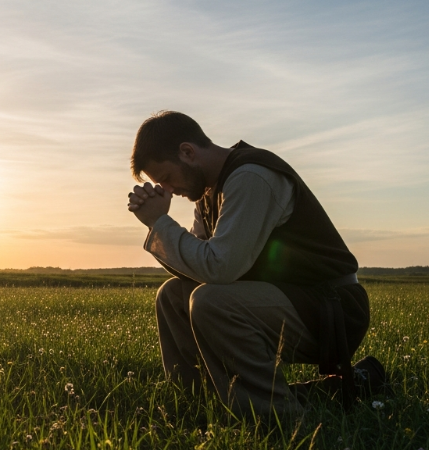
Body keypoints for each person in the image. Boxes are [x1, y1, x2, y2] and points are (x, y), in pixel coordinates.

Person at [127, 111, 383, 418]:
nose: (167, 189)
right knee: (173, 295)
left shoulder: (251, 176)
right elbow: (196, 266)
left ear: (188, 152)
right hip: (289, 300)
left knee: (211, 301)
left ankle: (275, 417)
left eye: (166, 178)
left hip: (330, 308)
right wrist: (157, 227)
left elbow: (220, 269)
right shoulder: (208, 193)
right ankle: (200, 407)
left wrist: (159, 222)